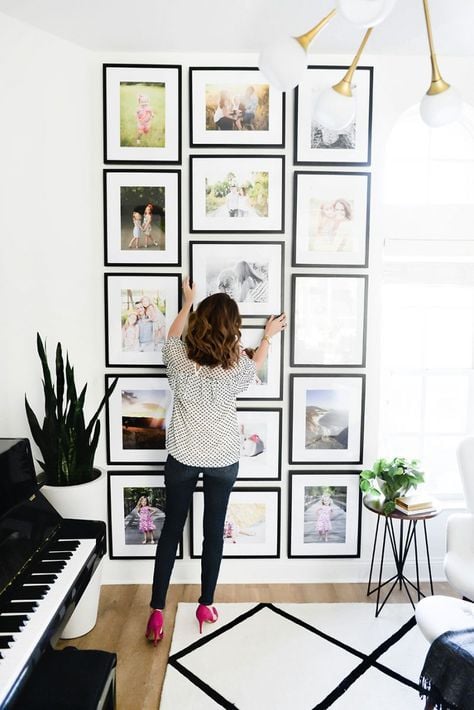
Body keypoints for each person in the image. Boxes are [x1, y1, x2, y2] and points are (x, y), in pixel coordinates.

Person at [145, 277, 287, 645]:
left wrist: (187, 301)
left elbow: (174, 336)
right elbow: (257, 361)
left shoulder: (178, 360)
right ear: (232, 329)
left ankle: (157, 612)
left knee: (171, 531)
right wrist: (268, 335)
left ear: (201, 322)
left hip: (182, 456)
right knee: (213, 533)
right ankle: (205, 604)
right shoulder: (237, 368)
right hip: (223, 458)